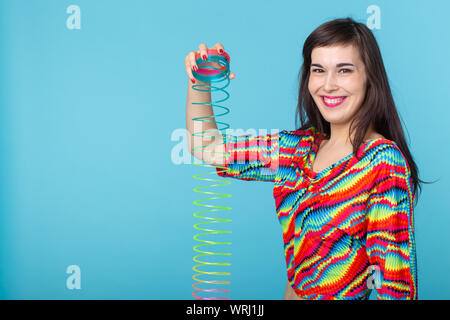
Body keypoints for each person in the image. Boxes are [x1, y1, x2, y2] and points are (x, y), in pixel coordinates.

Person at [184, 17, 426, 300]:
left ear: (369, 77)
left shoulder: (383, 163)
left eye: (344, 70)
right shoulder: (296, 149)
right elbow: (208, 148)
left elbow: (395, 286)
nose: (329, 84)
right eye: (318, 70)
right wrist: (200, 83)